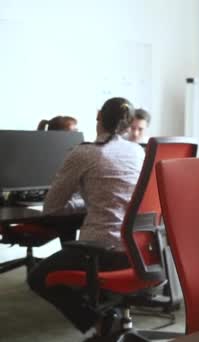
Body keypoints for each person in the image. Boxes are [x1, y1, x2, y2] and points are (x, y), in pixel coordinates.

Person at [27, 97, 145, 337]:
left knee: (37, 276)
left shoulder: (84, 153)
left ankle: (98, 322)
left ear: (98, 116)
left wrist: (83, 201)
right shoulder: (138, 152)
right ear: (128, 124)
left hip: (100, 251)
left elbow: (51, 207)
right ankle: (111, 314)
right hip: (138, 250)